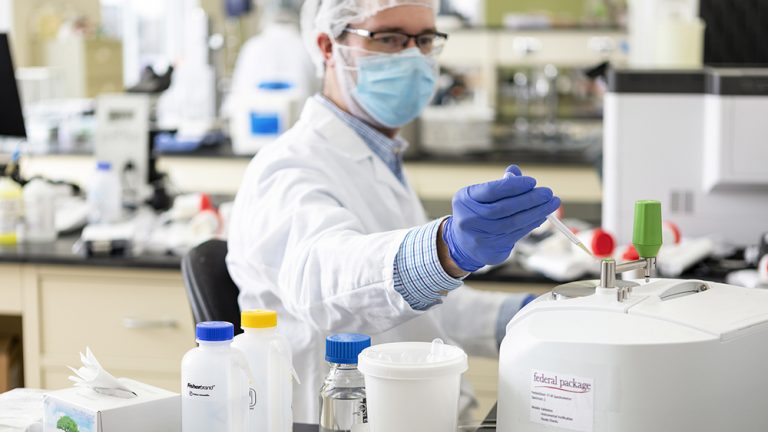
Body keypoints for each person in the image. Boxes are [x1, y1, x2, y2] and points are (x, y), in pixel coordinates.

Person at [226, 0, 561, 423]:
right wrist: (445, 249)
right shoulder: (289, 166)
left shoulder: (378, 156)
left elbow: (426, 307)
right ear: (328, 46)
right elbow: (322, 279)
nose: (411, 56)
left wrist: (530, 316)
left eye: (423, 39)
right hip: (336, 416)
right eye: (388, 38)